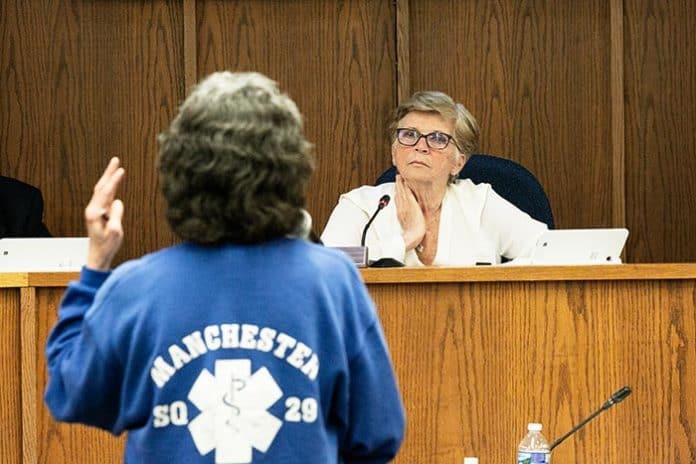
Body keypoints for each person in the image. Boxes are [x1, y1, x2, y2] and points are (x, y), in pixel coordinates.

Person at [44, 71, 405, 463]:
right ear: (290, 171)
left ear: (179, 173)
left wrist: (96, 265)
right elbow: (378, 434)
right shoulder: (333, 283)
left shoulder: (137, 287)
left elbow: (71, 393)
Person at [321, 91, 547, 266]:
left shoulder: (479, 203)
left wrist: (495, 278)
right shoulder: (361, 206)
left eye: (438, 139)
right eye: (409, 135)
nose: (420, 146)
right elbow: (322, 271)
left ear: (458, 162)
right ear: (393, 151)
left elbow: (548, 250)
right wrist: (407, 239)